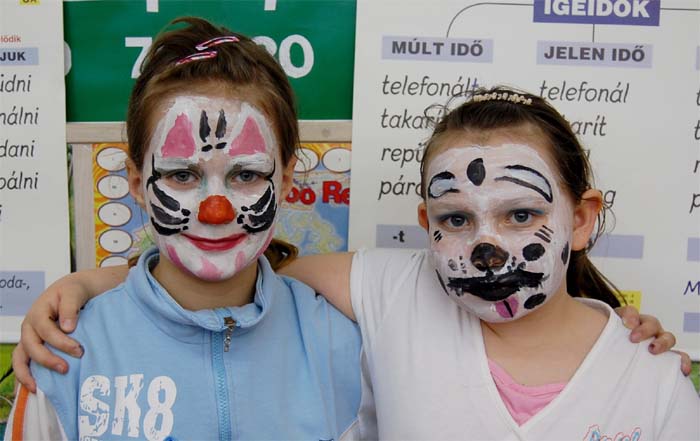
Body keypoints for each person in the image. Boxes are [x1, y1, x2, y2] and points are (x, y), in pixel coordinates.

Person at [9, 87, 690, 437]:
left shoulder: (650, 376)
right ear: (426, 226)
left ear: (582, 218)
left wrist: (635, 347)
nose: (489, 248)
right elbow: (234, 268)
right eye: (456, 220)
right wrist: (96, 284)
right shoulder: (394, 290)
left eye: (520, 215)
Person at [5, 17, 362, 441]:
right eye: (182, 175)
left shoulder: (342, 349)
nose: (216, 211)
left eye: (246, 175)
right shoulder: (67, 354)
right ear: (136, 182)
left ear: (284, 181)